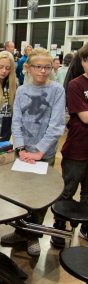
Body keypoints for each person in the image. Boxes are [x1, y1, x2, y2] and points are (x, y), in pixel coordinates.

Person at [1, 47, 65, 257]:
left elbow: (56, 126)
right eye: (38, 66)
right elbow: (16, 121)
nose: (43, 71)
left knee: (40, 198)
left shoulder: (57, 90)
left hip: (43, 156)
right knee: (21, 196)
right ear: (28, 68)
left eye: (47, 67)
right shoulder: (21, 91)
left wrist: (38, 151)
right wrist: (20, 147)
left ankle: (33, 236)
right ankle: (20, 231)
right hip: (23, 153)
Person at [51, 44, 88, 248]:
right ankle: (58, 226)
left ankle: (84, 226)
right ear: (83, 62)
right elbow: (84, 117)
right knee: (67, 189)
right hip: (77, 148)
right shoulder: (76, 85)